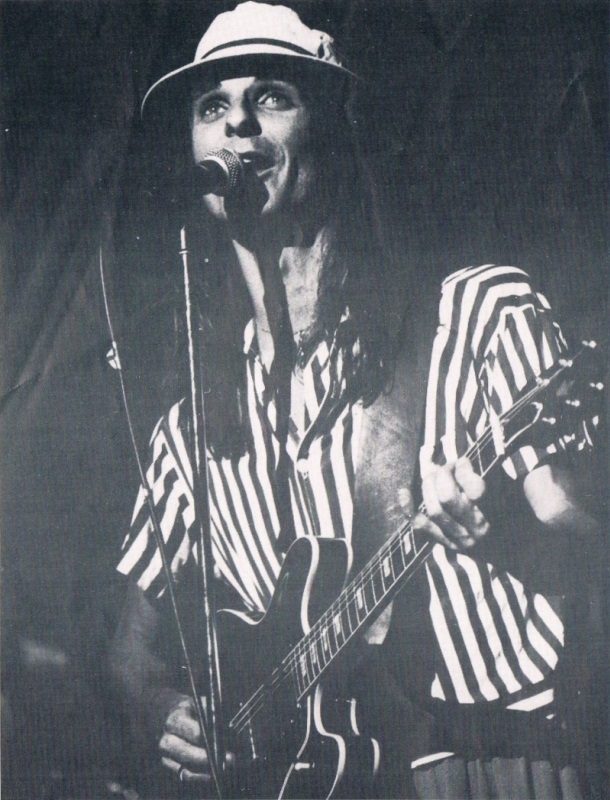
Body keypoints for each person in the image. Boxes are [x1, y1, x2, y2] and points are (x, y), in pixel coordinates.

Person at [110, 3, 603, 798]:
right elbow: (130, 648)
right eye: (211, 107)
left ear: (332, 133)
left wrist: (506, 531)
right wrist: (164, 709)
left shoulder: (473, 316)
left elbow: (585, 530)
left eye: (271, 97)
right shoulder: (190, 429)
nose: (237, 124)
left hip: (490, 762)